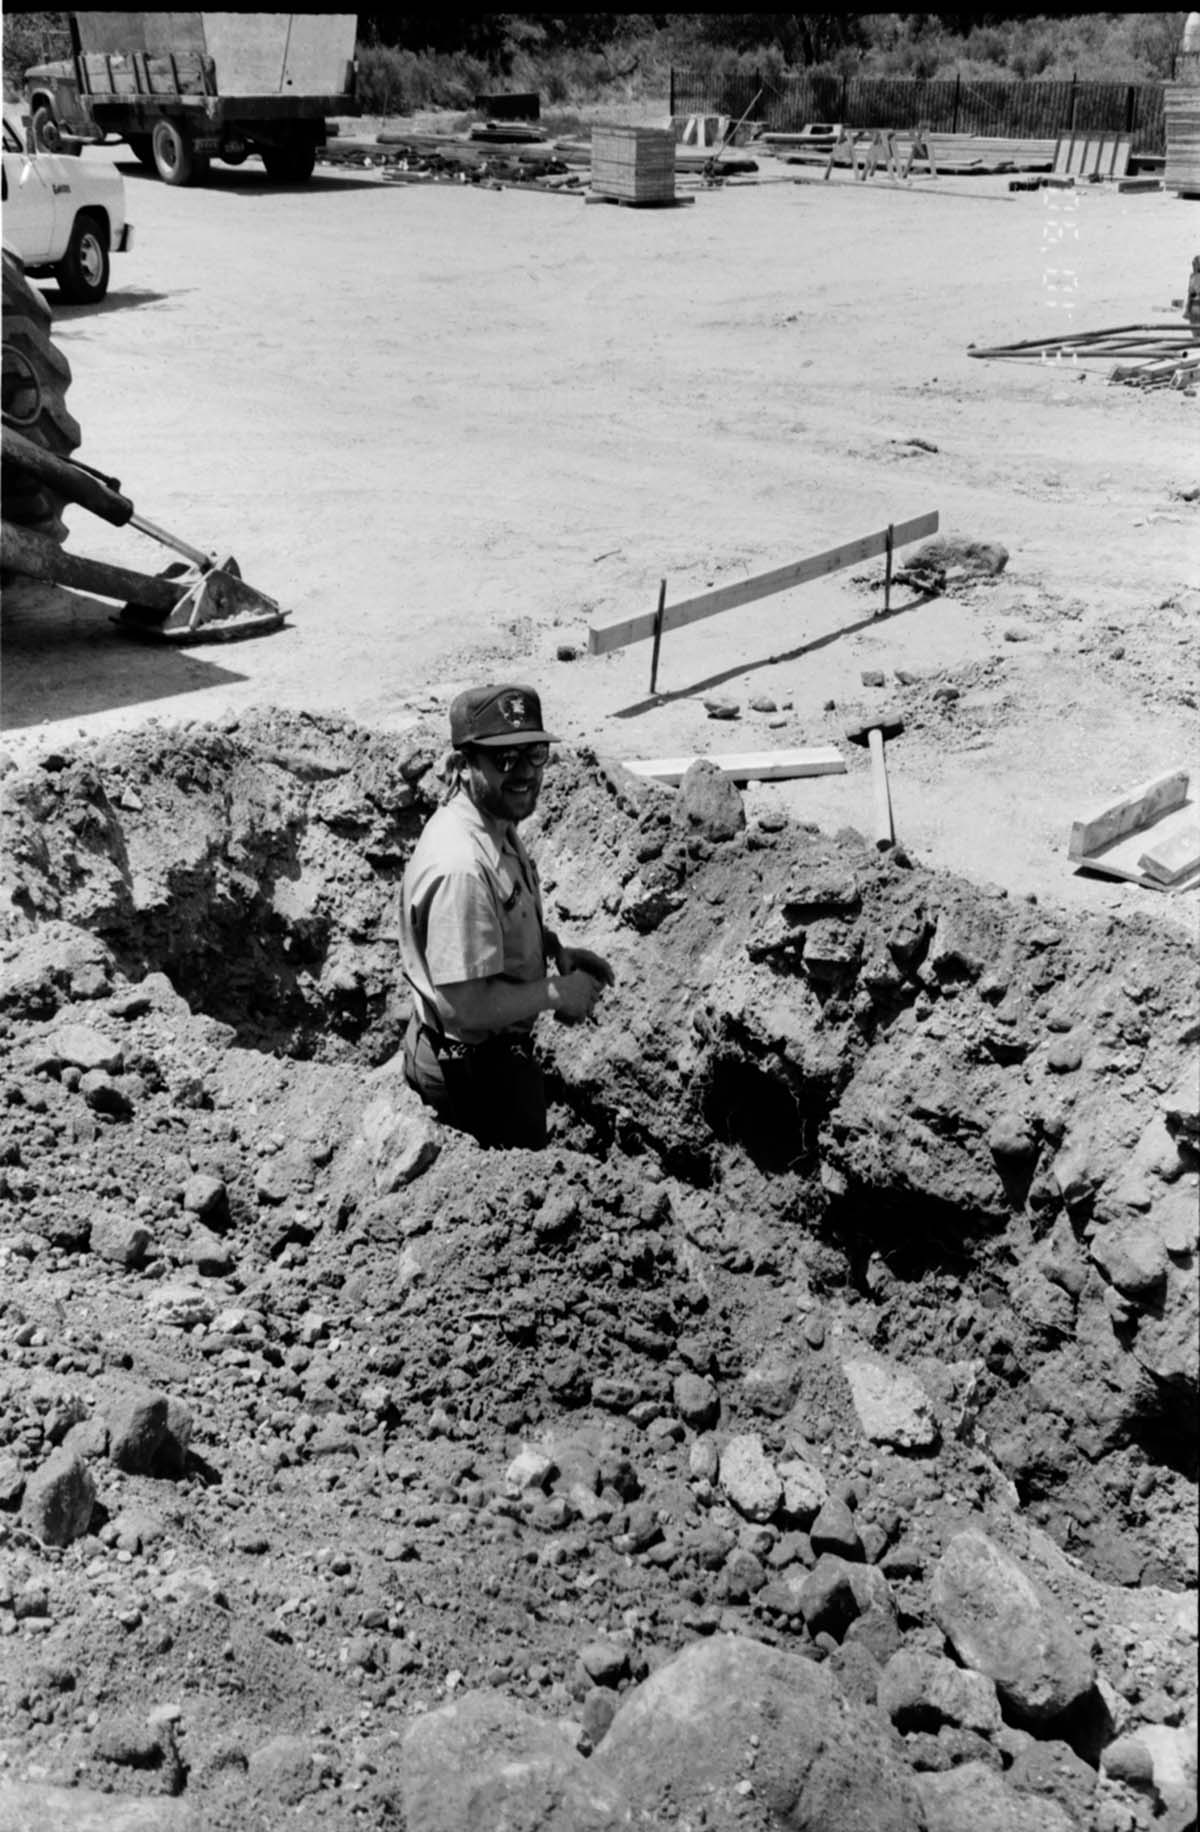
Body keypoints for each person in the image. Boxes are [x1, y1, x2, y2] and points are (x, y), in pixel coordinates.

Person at [399, 683, 614, 1149]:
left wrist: (553, 950)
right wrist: (557, 993)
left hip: (493, 1056)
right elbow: (466, 1006)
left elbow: (496, 920)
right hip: (467, 1071)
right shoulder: (461, 865)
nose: (524, 774)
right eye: (504, 760)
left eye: (534, 754)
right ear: (463, 765)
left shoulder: (492, 821)